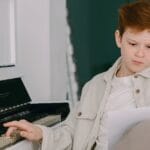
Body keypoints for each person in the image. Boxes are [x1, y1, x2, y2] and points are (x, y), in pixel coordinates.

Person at [3, 0, 150, 149]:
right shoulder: (94, 86)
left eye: (149, 46)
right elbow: (72, 134)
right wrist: (40, 133)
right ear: (119, 39)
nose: (140, 53)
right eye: (132, 44)